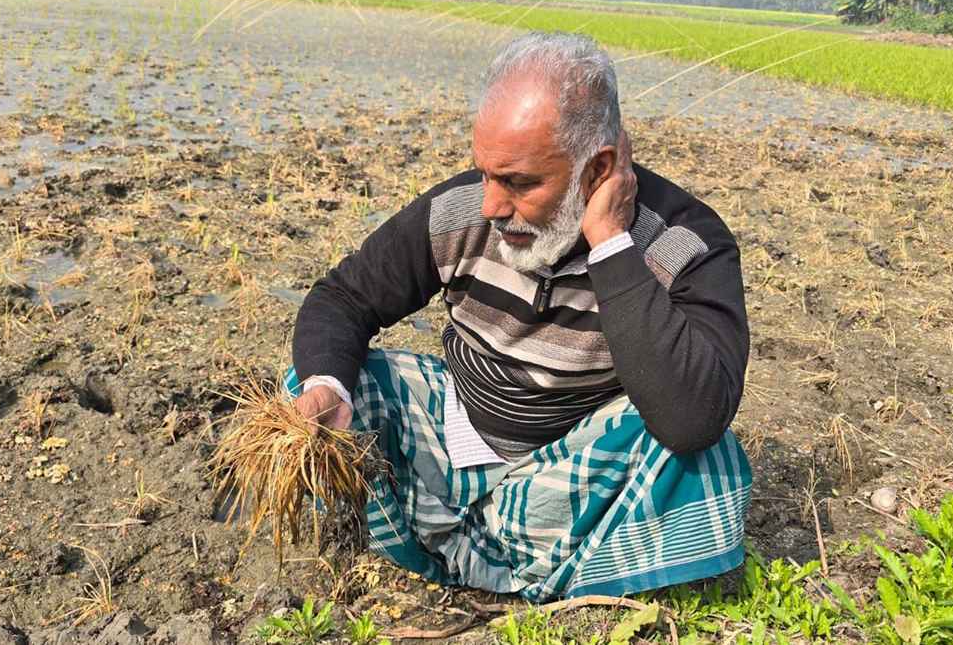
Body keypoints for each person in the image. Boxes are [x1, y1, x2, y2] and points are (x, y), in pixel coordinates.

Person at [286, 31, 751, 601]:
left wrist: (608, 243)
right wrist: (326, 381)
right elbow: (344, 299)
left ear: (598, 169)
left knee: (699, 452)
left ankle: (474, 540)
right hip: (458, 434)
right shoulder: (460, 212)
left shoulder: (683, 243)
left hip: (574, 471)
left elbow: (692, 419)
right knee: (326, 387)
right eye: (484, 173)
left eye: (520, 182)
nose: (491, 206)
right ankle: (529, 556)